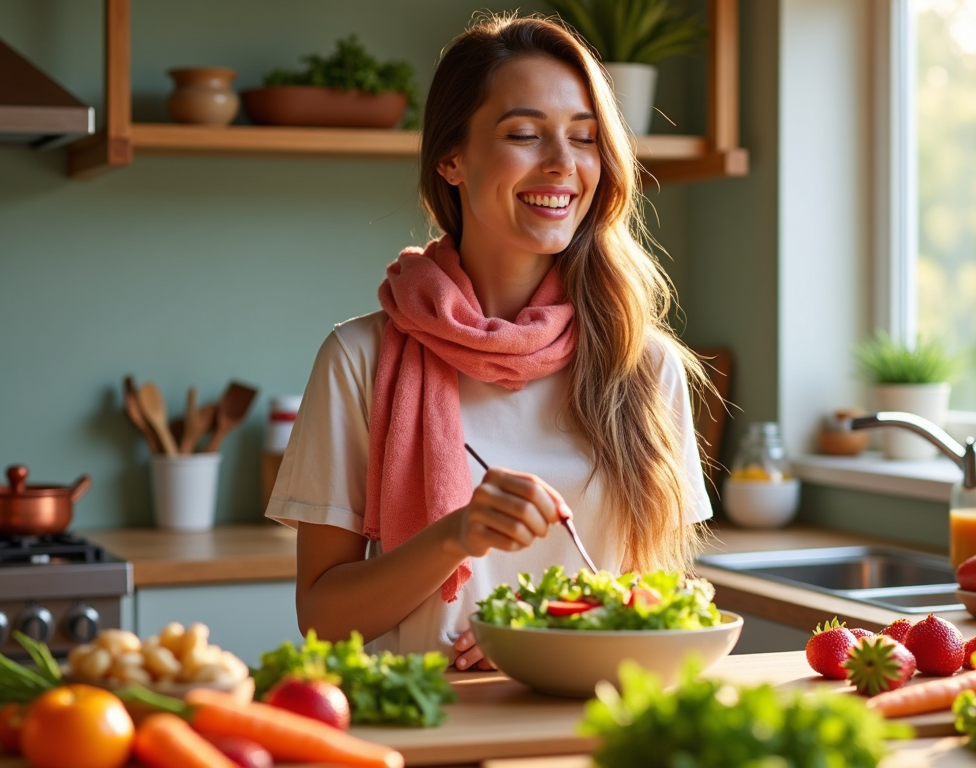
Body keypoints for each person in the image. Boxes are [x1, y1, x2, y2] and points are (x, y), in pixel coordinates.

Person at [265, 14, 714, 672]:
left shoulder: (642, 366)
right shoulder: (359, 359)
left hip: (590, 725)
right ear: (452, 159)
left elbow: (661, 596)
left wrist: (548, 630)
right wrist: (456, 534)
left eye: (584, 139)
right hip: (432, 721)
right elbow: (323, 623)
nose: (563, 164)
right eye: (526, 135)